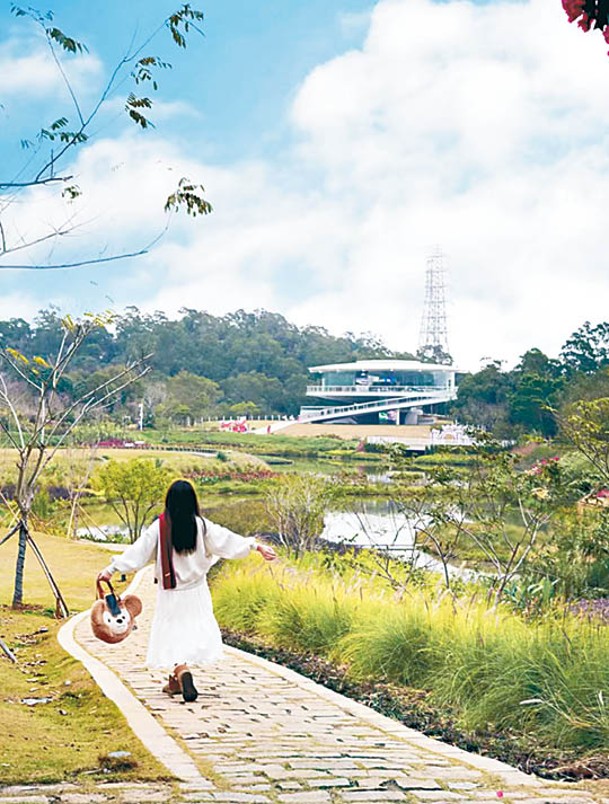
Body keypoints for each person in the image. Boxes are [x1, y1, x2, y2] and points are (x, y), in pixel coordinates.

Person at [97, 478, 276, 702]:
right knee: (192, 629)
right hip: (197, 591)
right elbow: (226, 539)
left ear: (169, 502)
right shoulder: (201, 526)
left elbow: (138, 553)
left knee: (171, 631)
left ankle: (180, 671)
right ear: (193, 502)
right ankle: (176, 680)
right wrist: (254, 545)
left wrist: (112, 569)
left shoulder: (160, 527)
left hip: (171, 591)